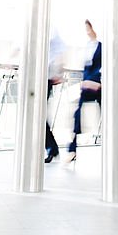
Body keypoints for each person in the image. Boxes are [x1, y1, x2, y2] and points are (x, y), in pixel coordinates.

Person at [66, 20, 102, 161]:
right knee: (77, 114)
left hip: (98, 85)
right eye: (86, 29)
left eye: (89, 29)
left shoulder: (101, 46)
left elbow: (103, 65)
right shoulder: (87, 47)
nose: (88, 31)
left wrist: (99, 81)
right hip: (87, 84)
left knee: (106, 114)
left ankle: (115, 145)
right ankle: (72, 149)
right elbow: (86, 68)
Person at [45, 29, 65, 163]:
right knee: (38, 117)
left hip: (44, 79)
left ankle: (52, 147)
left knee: (38, 117)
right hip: (43, 78)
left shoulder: (51, 32)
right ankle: (52, 147)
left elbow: (60, 54)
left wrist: (58, 73)